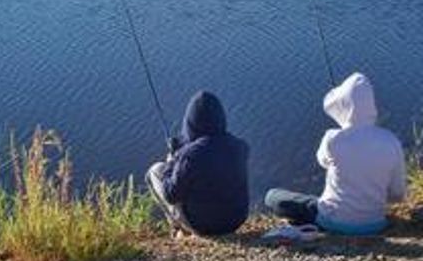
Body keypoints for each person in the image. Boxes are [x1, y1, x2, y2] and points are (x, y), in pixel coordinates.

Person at [265, 72, 407, 235]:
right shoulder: (390, 141)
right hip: (375, 224)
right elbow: (398, 194)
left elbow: (322, 161)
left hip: (332, 221)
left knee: (272, 196)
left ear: (344, 105)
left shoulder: (333, 138)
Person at [146, 90, 249, 236]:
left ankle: (177, 227)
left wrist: (172, 162)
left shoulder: (190, 156)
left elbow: (170, 194)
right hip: (235, 221)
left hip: (203, 226)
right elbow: (210, 150)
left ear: (190, 122)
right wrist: (182, 150)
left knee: (154, 171)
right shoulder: (240, 147)